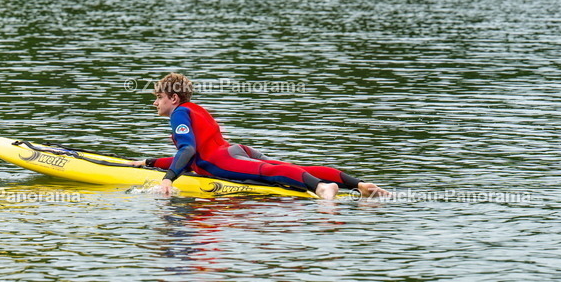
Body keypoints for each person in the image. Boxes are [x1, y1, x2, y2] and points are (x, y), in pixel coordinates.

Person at [130, 73, 389, 200]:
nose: (155, 103)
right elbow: (189, 156)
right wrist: (150, 162)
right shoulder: (196, 110)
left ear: (173, 98)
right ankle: (359, 185)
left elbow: (187, 152)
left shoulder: (178, 114)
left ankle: (321, 188)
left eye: (159, 97)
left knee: (269, 172)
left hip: (222, 161)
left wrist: (167, 180)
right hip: (235, 151)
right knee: (285, 167)